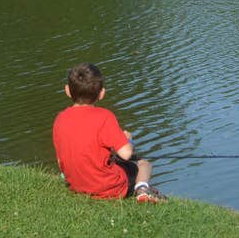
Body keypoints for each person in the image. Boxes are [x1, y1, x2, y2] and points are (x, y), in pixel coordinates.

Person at [52, 62, 167, 204]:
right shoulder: (104, 116)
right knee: (143, 164)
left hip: (76, 186)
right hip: (109, 189)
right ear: (102, 93)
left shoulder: (60, 118)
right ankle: (142, 190)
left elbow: (60, 161)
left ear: (67, 90)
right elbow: (126, 154)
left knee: (113, 161)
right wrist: (128, 140)